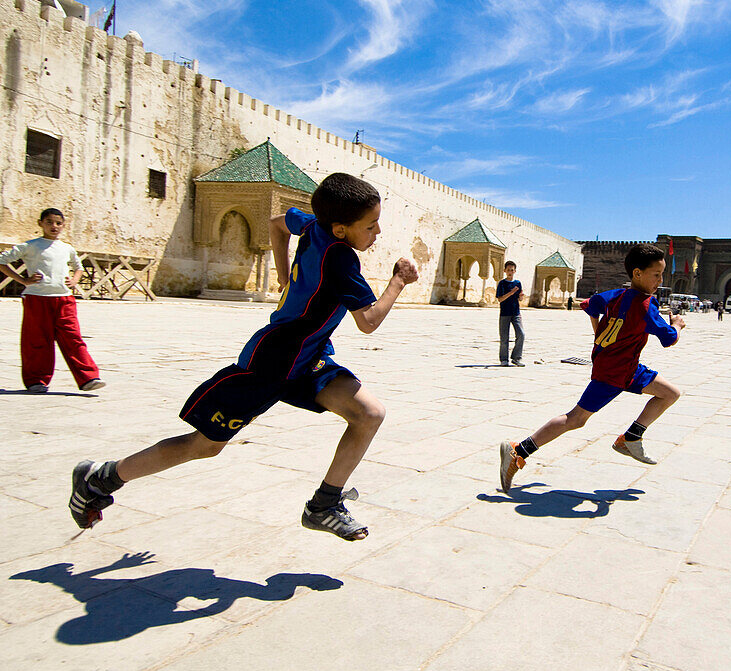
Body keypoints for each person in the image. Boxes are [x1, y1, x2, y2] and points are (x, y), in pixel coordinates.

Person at [67, 173, 419, 541]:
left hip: (308, 358)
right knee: (204, 446)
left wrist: (284, 274)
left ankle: (324, 505)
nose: (377, 232)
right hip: (271, 362)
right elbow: (368, 320)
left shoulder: (314, 225)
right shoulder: (342, 260)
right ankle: (102, 477)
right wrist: (397, 281)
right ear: (342, 229)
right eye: (371, 225)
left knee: (368, 414)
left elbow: (277, 223)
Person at [498, 244, 685, 492]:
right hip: (614, 374)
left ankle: (631, 437)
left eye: (662, 275)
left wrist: (599, 333)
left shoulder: (615, 294)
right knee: (575, 419)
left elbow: (588, 305)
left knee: (670, 393)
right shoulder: (645, 305)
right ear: (637, 273)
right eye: (656, 275)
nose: (660, 281)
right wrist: (678, 324)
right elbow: (669, 339)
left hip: (625, 367)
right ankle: (518, 451)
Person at [0, 208, 105, 393]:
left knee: (73, 338)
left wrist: (74, 280)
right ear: (40, 224)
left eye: (58, 223)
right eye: (49, 222)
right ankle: (36, 381)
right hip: (37, 298)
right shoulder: (31, 245)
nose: (54, 226)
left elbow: (78, 267)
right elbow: (2, 261)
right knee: (37, 340)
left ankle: (89, 377)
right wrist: (23, 280)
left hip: (64, 300)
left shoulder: (66, 248)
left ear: (63, 225)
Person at [496, 260, 525, 366]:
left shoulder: (518, 283)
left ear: (515, 271)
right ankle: (504, 359)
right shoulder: (502, 284)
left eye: (512, 270)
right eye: (508, 270)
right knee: (504, 337)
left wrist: (521, 297)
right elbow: (500, 299)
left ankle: (516, 358)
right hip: (505, 313)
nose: (510, 272)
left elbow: (519, 299)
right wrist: (511, 292)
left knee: (521, 334)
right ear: (504, 271)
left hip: (516, 312)